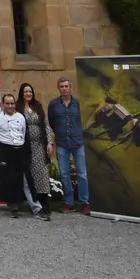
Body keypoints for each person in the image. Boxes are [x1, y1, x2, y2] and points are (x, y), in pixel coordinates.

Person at [47, 77, 90, 214]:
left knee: (82, 174)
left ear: (71, 88)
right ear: (58, 88)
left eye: (66, 86)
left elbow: (84, 121)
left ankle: (84, 202)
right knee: (64, 174)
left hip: (78, 142)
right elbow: (51, 121)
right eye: (61, 86)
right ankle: (69, 201)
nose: (64, 89)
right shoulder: (53, 104)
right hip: (62, 143)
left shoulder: (78, 103)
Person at [16, 83, 52, 221]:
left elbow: (46, 125)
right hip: (24, 147)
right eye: (25, 91)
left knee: (42, 174)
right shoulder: (17, 107)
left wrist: (49, 142)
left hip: (39, 146)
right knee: (28, 175)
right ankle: (31, 203)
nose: (28, 94)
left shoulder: (38, 107)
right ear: (21, 93)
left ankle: (44, 203)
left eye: (30, 91)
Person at [0, 93, 29, 218]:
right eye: (7, 103)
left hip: (19, 148)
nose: (10, 106)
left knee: (18, 178)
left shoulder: (21, 117)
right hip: (5, 148)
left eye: (12, 103)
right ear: (2, 105)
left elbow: (23, 133)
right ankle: (11, 205)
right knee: (7, 178)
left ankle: (17, 203)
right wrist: (0, 150)